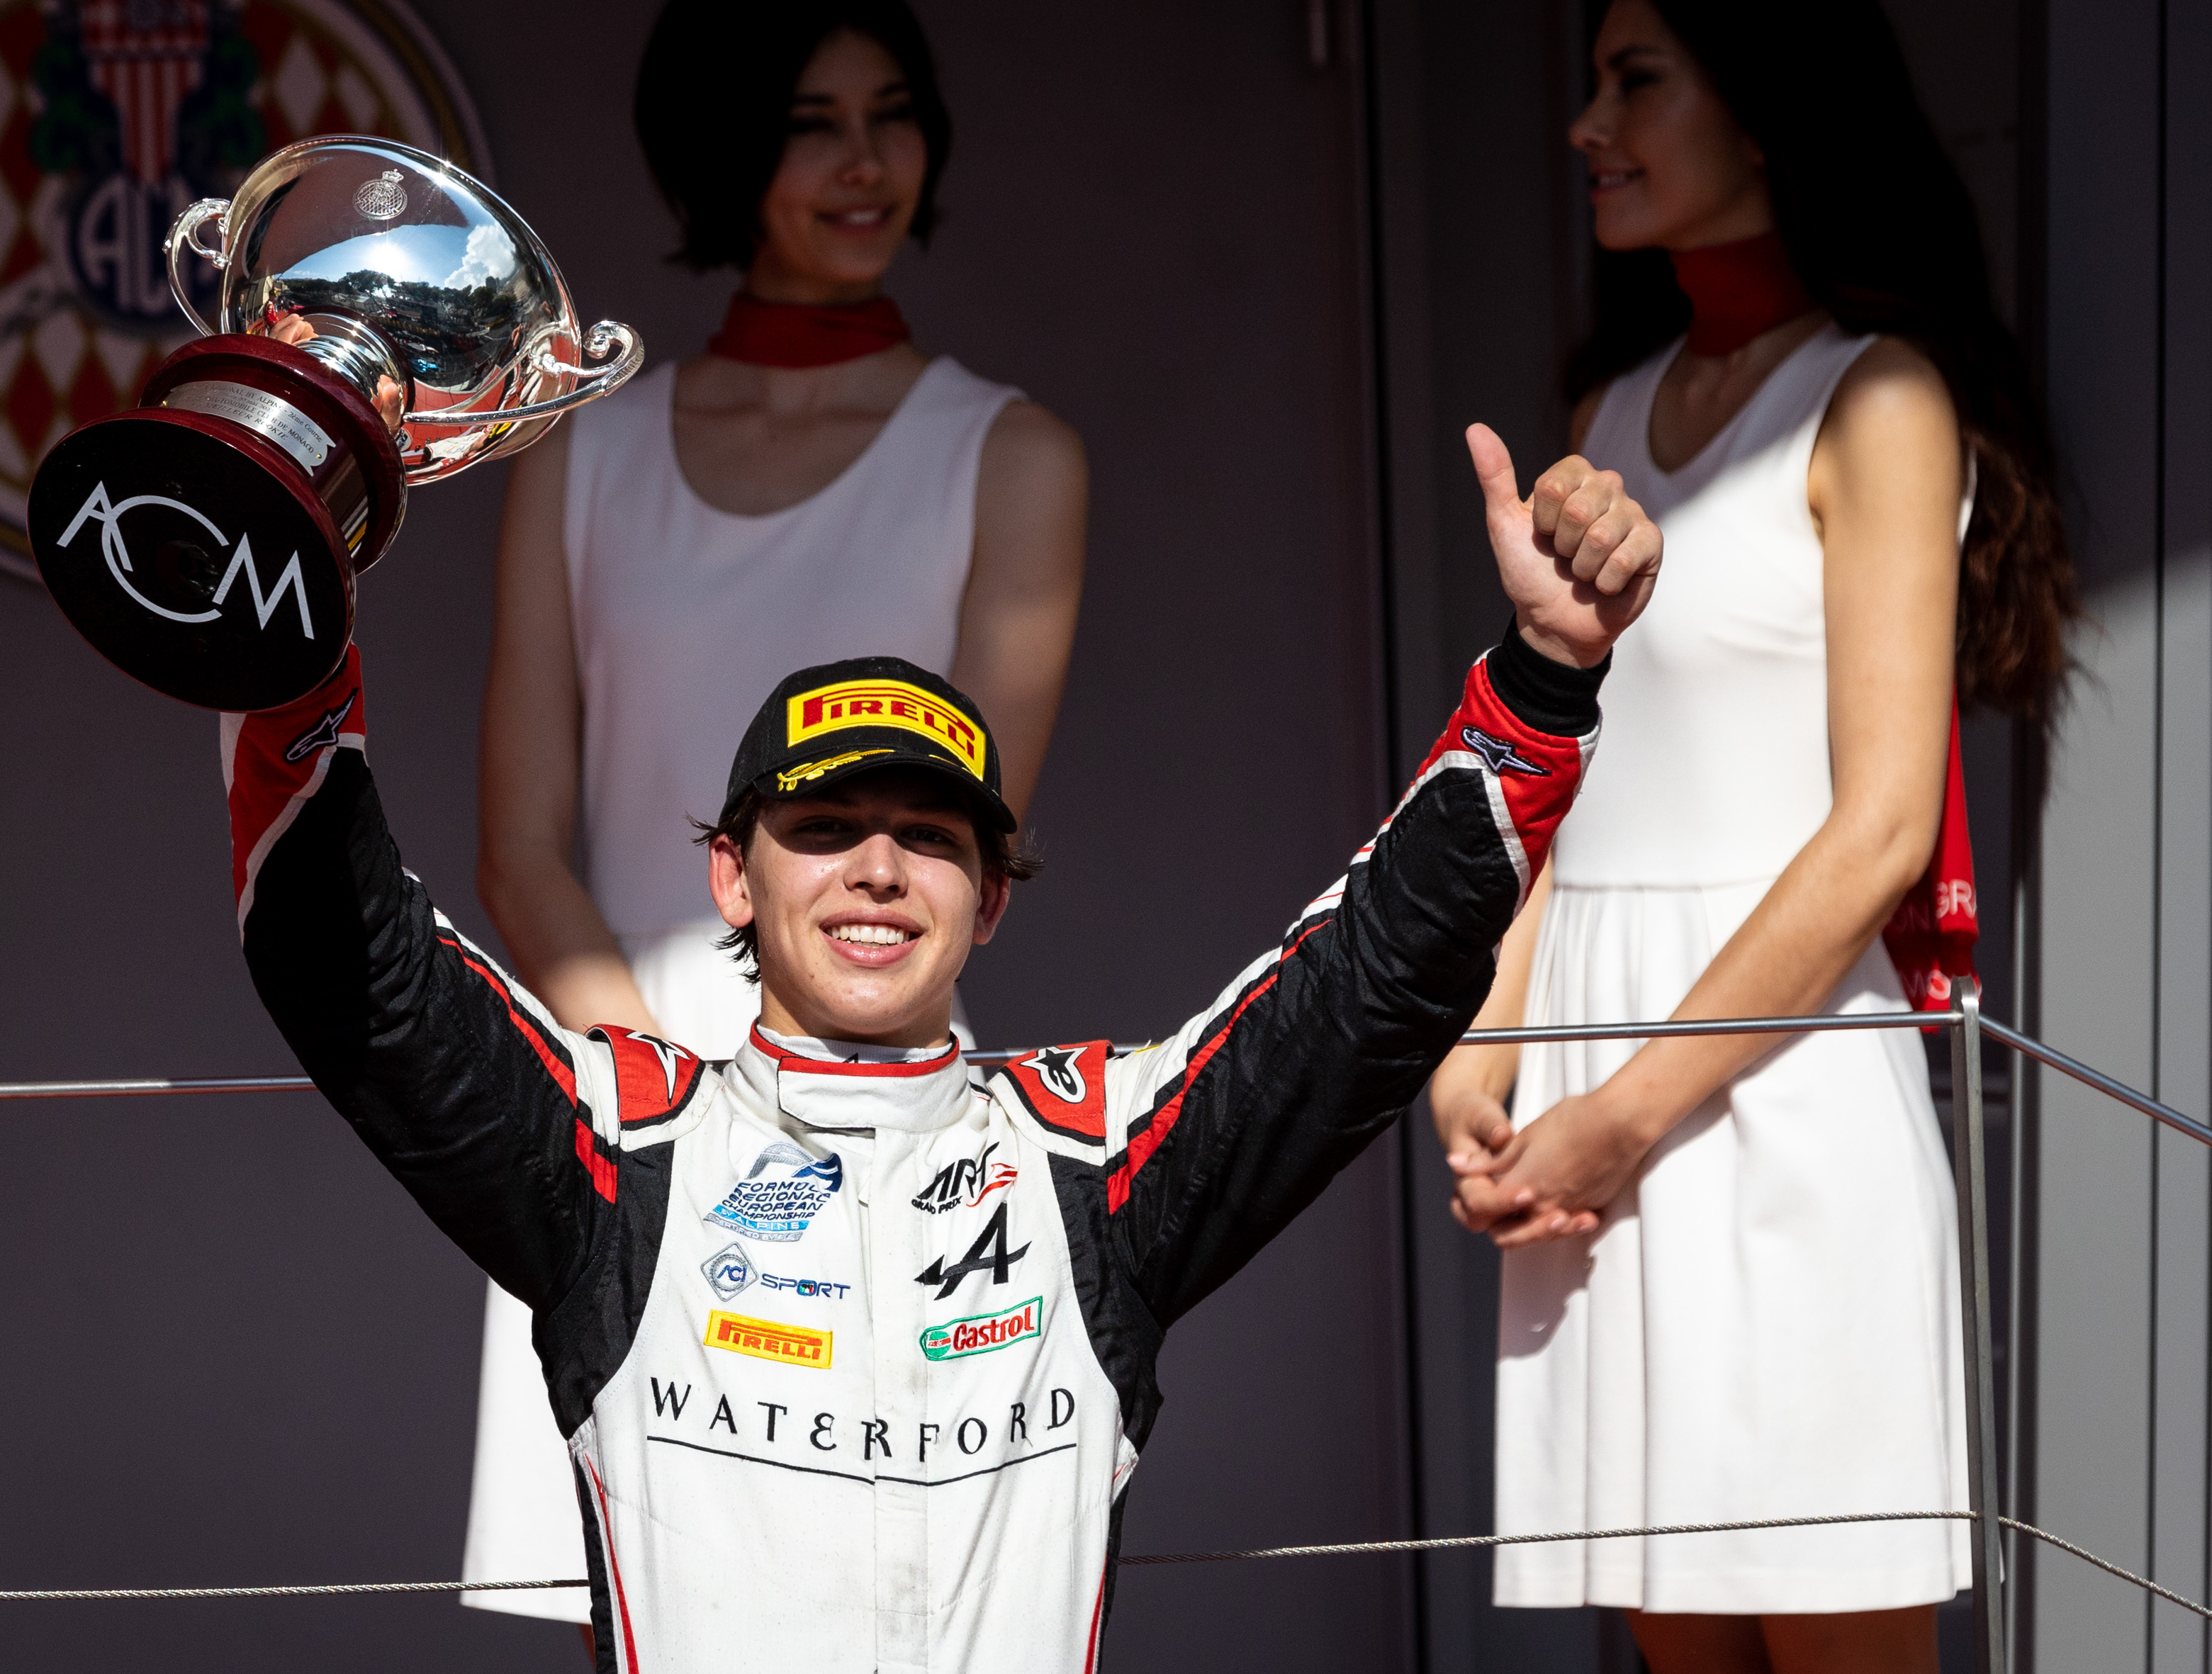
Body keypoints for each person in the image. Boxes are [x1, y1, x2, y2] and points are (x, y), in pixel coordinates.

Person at [219, 429, 1657, 1670]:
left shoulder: (1090, 1156)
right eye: (826, 830)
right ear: (733, 876)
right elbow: (360, 971)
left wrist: (1540, 676)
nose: (876, 870)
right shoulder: (619, 1154)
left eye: (929, 839)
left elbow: (1360, 988)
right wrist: (274, 627)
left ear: (989, 900)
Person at [1424, 4, 2075, 1670]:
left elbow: (1874, 835)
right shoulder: (1609, 401)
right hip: (1599, 1106)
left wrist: (1615, 1114)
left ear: (1772, 114)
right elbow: (1558, 779)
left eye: (1634, 80)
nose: (1584, 122)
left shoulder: (1874, 398)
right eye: (1587, 79)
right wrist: (1480, 1054)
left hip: (1774, 1099)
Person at [466, 0, 1087, 1634]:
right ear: (727, 150)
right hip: (618, 1096)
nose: (866, 159)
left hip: (889, 1097)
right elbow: (521, 840)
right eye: (812, 120)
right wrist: (643, 1094)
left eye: (894, 113)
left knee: (907, 1600)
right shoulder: (578, 444)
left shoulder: (1012, 453)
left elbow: (963, 842)